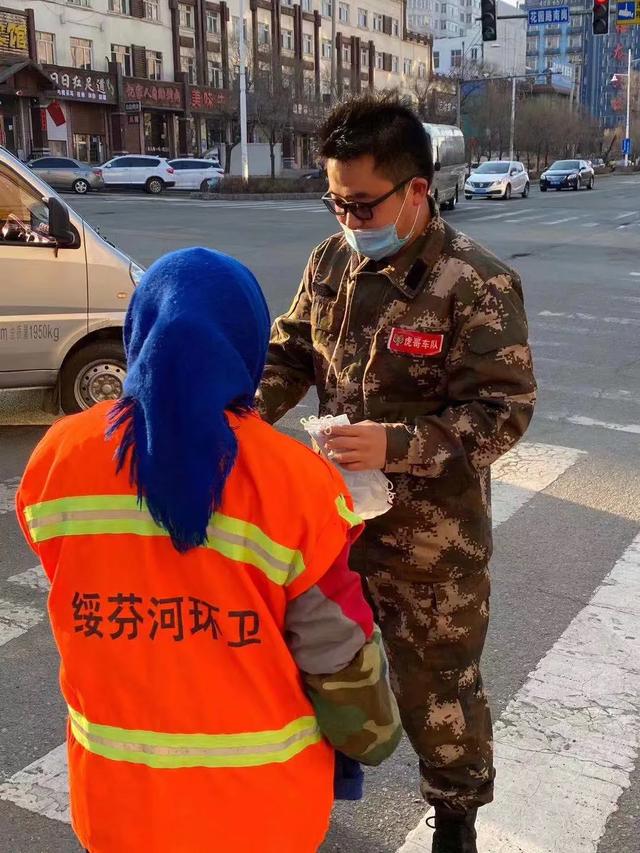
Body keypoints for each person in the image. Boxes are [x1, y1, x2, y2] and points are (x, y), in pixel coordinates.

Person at [16, 247, 402, 853]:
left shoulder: (59, 457)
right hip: (265, 811)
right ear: (245, 345)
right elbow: (338, 653)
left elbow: (72, 572)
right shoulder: (294, 481)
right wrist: (374, 738)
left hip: (118, 805)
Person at [256, 93, 537, 853]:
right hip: (332, 528)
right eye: (336, 202)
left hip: (430, 548)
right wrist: (241, 415)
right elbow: (287, 352)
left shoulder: (475, 283)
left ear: (416, 190)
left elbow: (503, 412)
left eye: (361, 203)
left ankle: (455, 817)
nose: (348, 220)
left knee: (437, 691)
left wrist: (398, 445)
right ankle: (316, 793)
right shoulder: (329, 265)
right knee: (320, 671)